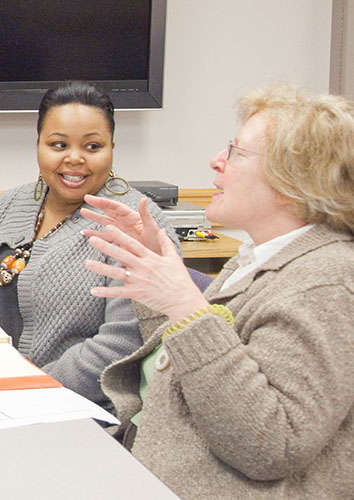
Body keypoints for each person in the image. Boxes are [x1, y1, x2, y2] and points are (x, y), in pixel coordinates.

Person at [82, 83, 354, 498]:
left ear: (293, 178)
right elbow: (187, 365)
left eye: (236, 152)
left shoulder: (328, 282)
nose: (216, 161)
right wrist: (157, 276)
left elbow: (272, 445)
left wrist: (186, 306)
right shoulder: (259, 257)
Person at [0, 81, 179, 405]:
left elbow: (125, 345)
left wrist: (28, 388)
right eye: (58, 145)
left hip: (74, 410)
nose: (74, 159)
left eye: (92, 147)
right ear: (38, 145)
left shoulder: (137, 223)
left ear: (112, 148)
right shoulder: (6, 207)